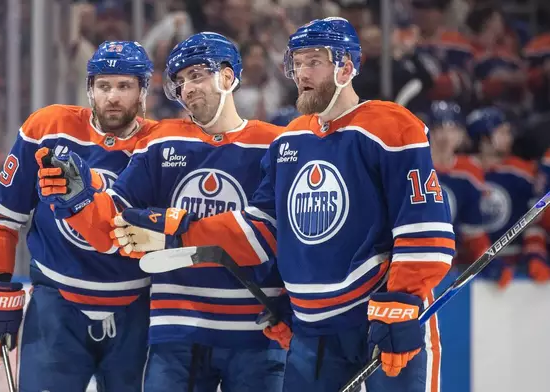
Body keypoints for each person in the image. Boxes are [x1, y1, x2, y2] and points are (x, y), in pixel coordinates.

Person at [113, 18, 454, 392]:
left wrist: (402, 301)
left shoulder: (390, 126)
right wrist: (180, 231)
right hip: (310, 330)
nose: (302, 73)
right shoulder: (290, 140)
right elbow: (262, 229)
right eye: (297, 63)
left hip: (377, 317)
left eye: (314, 62)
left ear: (346, 66)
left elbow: (424, 228)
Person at [37, 32, 288, 392]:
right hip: (177, 332)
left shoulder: (274, 144)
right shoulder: (162, 142)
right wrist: (79, 201)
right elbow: (113, 229)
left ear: (229, 77)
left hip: (258, 330)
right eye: (180, 81)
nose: (187, 88)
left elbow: (268, 235)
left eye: (197, 75)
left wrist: (171, 227)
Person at [0, 41, 156, 391]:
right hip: (56, 306)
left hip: (137, 307)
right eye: (103, 86)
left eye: (124, 86)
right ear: (89, 89)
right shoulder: (49, 128)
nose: (112, 97)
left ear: (143, 90)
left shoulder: (162, 143)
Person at [467, 107, 550, 286]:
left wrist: (536, 253)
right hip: (465, 267)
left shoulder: (521, 172)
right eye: (503, 132)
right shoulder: (463, 171)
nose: (509, 137)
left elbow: (536, 219)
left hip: (515, 269)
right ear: (484, 138)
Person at [424, 101, 492, 269]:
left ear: (462, 134)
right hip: (409, 259)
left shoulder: (469, 171)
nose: (446, 136)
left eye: (453, 129)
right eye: (439, 128)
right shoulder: (411, 166)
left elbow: (472, 228)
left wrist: (486, 257)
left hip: (449, 266)